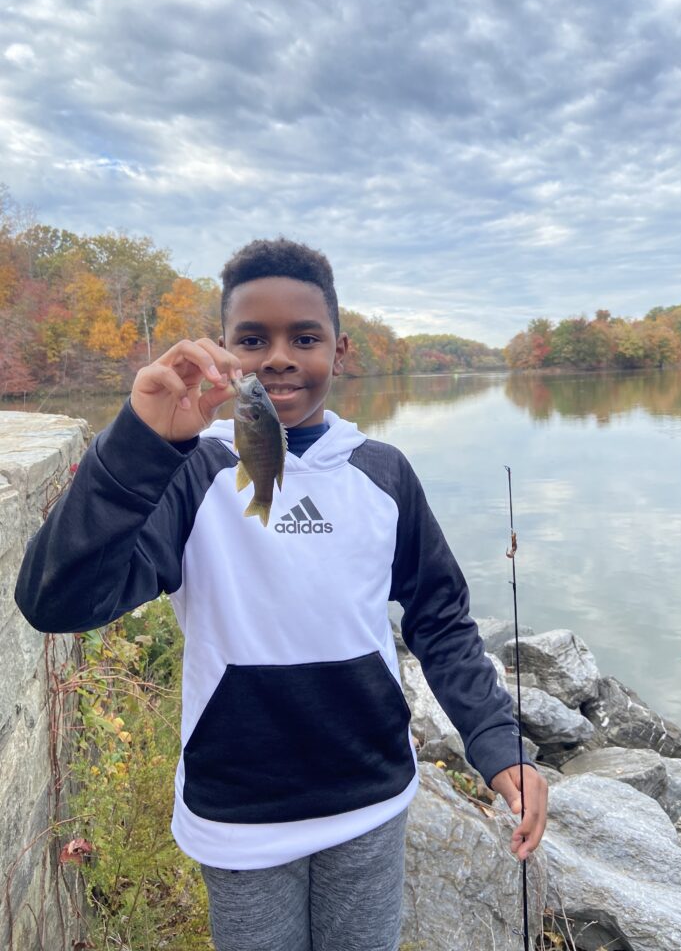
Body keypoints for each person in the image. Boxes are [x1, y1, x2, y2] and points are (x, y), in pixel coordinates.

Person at [16, 238, 548, 951]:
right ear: (223, 353)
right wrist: (139, 445)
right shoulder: (188, 471)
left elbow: (441, 619)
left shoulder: (385, 473)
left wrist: (496, 739)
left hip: (370, 799)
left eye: (304, 337)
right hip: (239, 810)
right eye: (251, 339)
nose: (277, 357)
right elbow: (58, 604)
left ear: (341, 348)